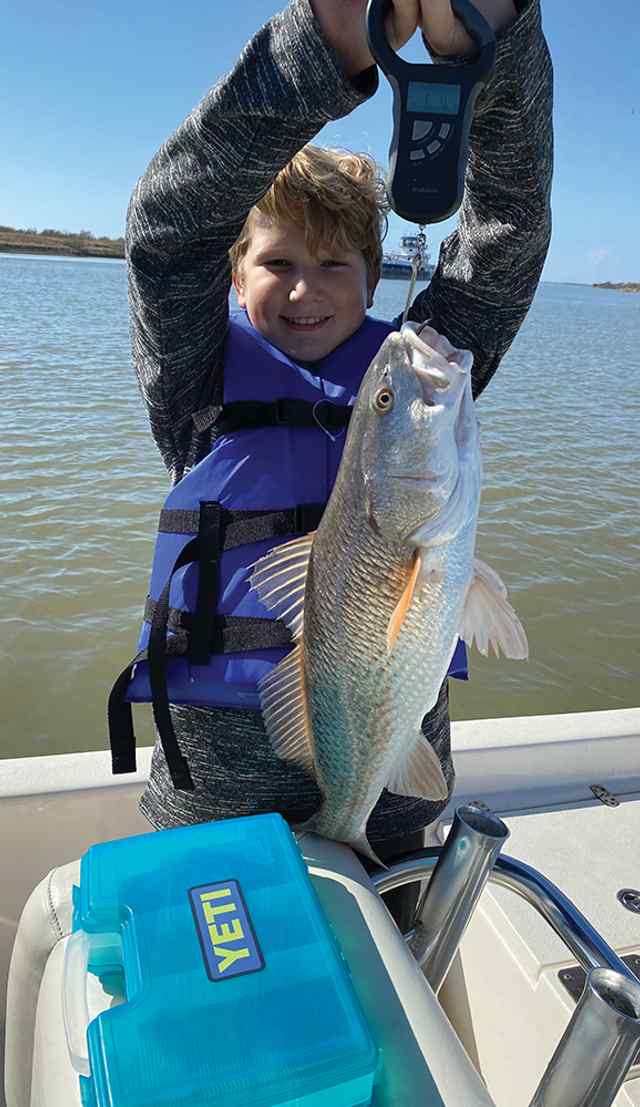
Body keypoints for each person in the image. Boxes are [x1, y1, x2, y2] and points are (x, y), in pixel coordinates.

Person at [124, 0, 553, 929]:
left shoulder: (420, 372)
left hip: (388, 788)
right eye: (276, 262)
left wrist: (494, 50)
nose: (304, 290)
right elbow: (166, 228)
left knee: (380, 981)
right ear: (234, 273)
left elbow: (509, 231)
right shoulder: (194, 375)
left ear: (372, 272)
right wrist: (322, 49)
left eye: (332, 264)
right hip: (214, 791)